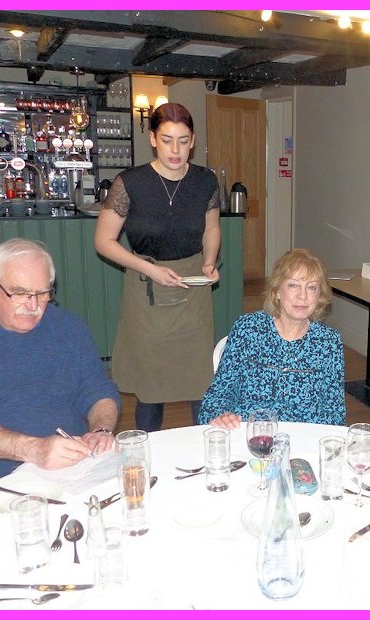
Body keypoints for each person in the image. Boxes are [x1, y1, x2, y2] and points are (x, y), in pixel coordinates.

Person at [0, 238, 120, 502]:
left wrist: (101, 431)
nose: (33, 305)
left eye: (42, 293)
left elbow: (98, 390)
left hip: (71, 473)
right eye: (19, 293)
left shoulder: (68, 328)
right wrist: (35, 449)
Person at [95, 102, 221, 432]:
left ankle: (205, 447)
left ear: (193, 140)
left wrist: (209, 261)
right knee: (151, 384)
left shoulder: (205, 181)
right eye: (167, 140)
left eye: (183, 140)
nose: (175, 150)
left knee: (199, 378)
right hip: (146, 284)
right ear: (153, 139)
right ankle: (145, 451)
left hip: (192, 286)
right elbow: (104, 241)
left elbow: (211, 228)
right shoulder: (129, 183)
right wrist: (150, 270)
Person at [198, 248, 346, 427]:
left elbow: (335, 413)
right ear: (277, 291)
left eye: (312, 287)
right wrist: (221, 416)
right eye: (293, 285)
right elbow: (219, 392)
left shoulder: (329, 342)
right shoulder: (248, 329)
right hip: (250, 431)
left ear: (319, 296)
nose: (303, 296)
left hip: (303, 436)